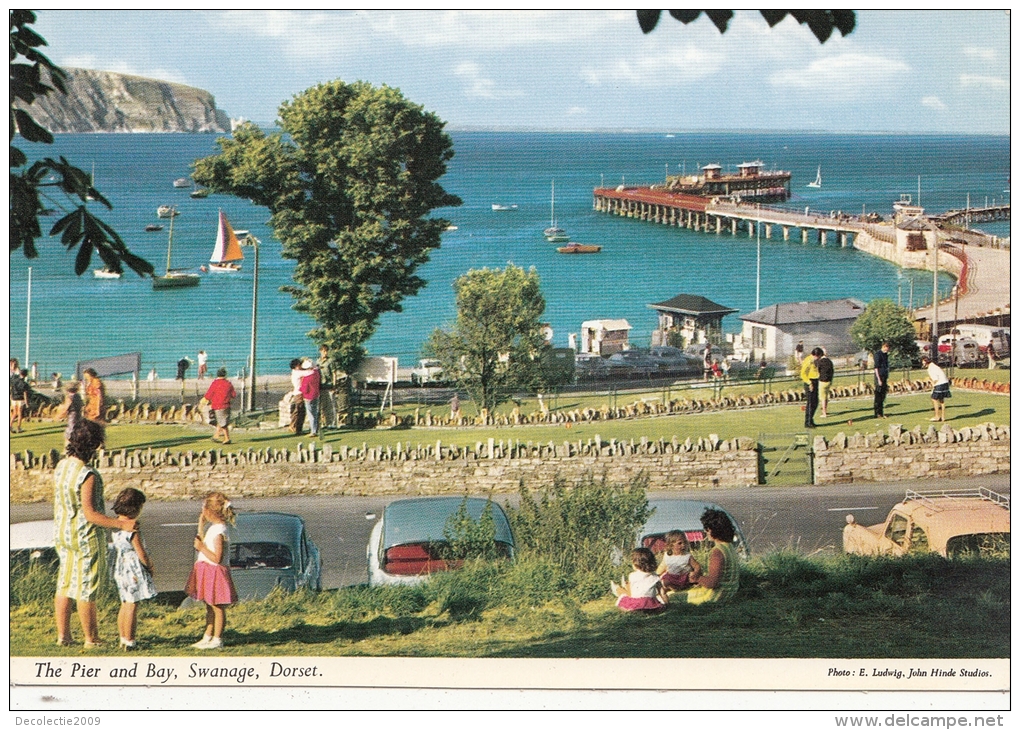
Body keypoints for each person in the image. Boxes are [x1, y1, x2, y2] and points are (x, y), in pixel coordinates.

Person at [54, 419, 136, 647]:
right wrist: (121, 525)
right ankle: (91, 638)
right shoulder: (87, 474)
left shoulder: (62, 467)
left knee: (65, 584)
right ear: (94, 445)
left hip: (63, 533)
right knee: (86, 587)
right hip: (84, 536)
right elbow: (90, 514)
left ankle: (64, 636)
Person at [185, 492, 238, 650]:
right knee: (209, 604)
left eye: (203, 509)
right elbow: (201, 540)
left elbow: (217, 558)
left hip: (215, 572)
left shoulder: (219, 532)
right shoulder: (214, 528)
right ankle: (207, 636)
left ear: (210, 511)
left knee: (217, 607)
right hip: (208, 570)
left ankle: (217, 639)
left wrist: (201, 548)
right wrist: (200, 524)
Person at [110, 488, 157, 651]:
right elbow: (140, 552)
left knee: (124, 603)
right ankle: (130, 640)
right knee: (132, 604)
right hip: (133, 568)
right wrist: (149, 566)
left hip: (121, 566)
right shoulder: (132, 530)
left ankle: (123, 637)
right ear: (135, 508)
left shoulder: (116, 528)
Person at [671, 508, 741, 605]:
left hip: (715, 597)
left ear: (714, 530)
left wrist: (696, 577)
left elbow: (712, 583)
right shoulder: (729, 547)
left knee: (671, 596)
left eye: (707, 529)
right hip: (729, 594)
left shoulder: (717, 552)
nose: (705, 532)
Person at [610, 547, 667, 612]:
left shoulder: (632, 575)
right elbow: (662, 593)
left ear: (635, 564)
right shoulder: (655, 577)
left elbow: (632, 593)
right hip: (651, 606)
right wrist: (666, 604)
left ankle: (617, 588)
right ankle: (621, 587)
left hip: (637, 604)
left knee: (622, 596)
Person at [203, 368, 237, 444]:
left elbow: (209, 394)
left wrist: (205, 401)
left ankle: (227, 438)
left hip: (218, 405)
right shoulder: (228, 383)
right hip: (227, 405)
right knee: (221, 421)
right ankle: (216, 436)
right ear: (225, 375)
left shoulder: (215, 383)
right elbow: (233, 395)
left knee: (222, 423)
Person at [922, 356, 951, 422]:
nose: (923, 364)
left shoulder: (930, 368)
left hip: (940, 384)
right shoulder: (934, 366)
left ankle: (937, 416)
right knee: (941, 400)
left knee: (934, 399)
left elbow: (935, 379)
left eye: (923, 363)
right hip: (945, 383)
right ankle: (943, 417)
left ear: (926, 362)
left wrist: (930, 382)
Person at [299, 359, 322, 438]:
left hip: (308, 396)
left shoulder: (307, 378)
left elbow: (305, 389)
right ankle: (315, 429)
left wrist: (300, 389)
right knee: (315, 412)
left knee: (310, 414)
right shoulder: (317, 374)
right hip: (316, 394)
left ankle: (313, 431)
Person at [800, 347, 820, 428]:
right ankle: (807, 422)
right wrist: (809, 383)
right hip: (810, 381)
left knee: (815, 402)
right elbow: (803, 374)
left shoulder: (815, 361)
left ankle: (811, 419)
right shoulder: (808, 361)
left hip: (816, 380)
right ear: (815, 355)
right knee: (811, 403)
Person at [287, 358, 309, 434]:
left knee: (301, 411)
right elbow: (308, 373)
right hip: (299, 393)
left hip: (299, 393)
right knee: (299, 411)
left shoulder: (295, 372)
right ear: (296, 366)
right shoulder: (297, 373)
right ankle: (294, 426)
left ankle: (298, 428)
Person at [872, 342, 890, 419]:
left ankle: (881, 412)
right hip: (879, 377)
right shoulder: (877, 355)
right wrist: (879, 379)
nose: (887, 350)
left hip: (884, 376)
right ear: (883, 347)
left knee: (883, 395)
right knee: (878, 396)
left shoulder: (885, 355)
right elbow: (876, 368)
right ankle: (877, 413)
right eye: (887, 348)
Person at [816, 347, 834, 418]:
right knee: (826, 397)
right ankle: (825, 410)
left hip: (822, 381)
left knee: (822, 397)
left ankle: (824, 413)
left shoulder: (820, 362)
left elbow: (818, 371)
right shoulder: (829, 361)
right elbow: (832, 371)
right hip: (829, 381)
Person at [10, 365, 29, 433]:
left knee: (14, 413)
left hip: (14, 398)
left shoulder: (15, 380)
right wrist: (27, 403)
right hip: (20, 399)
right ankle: (18, 427)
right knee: (20, 413)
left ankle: (10, 425)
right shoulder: (24, 384)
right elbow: (25, 394)